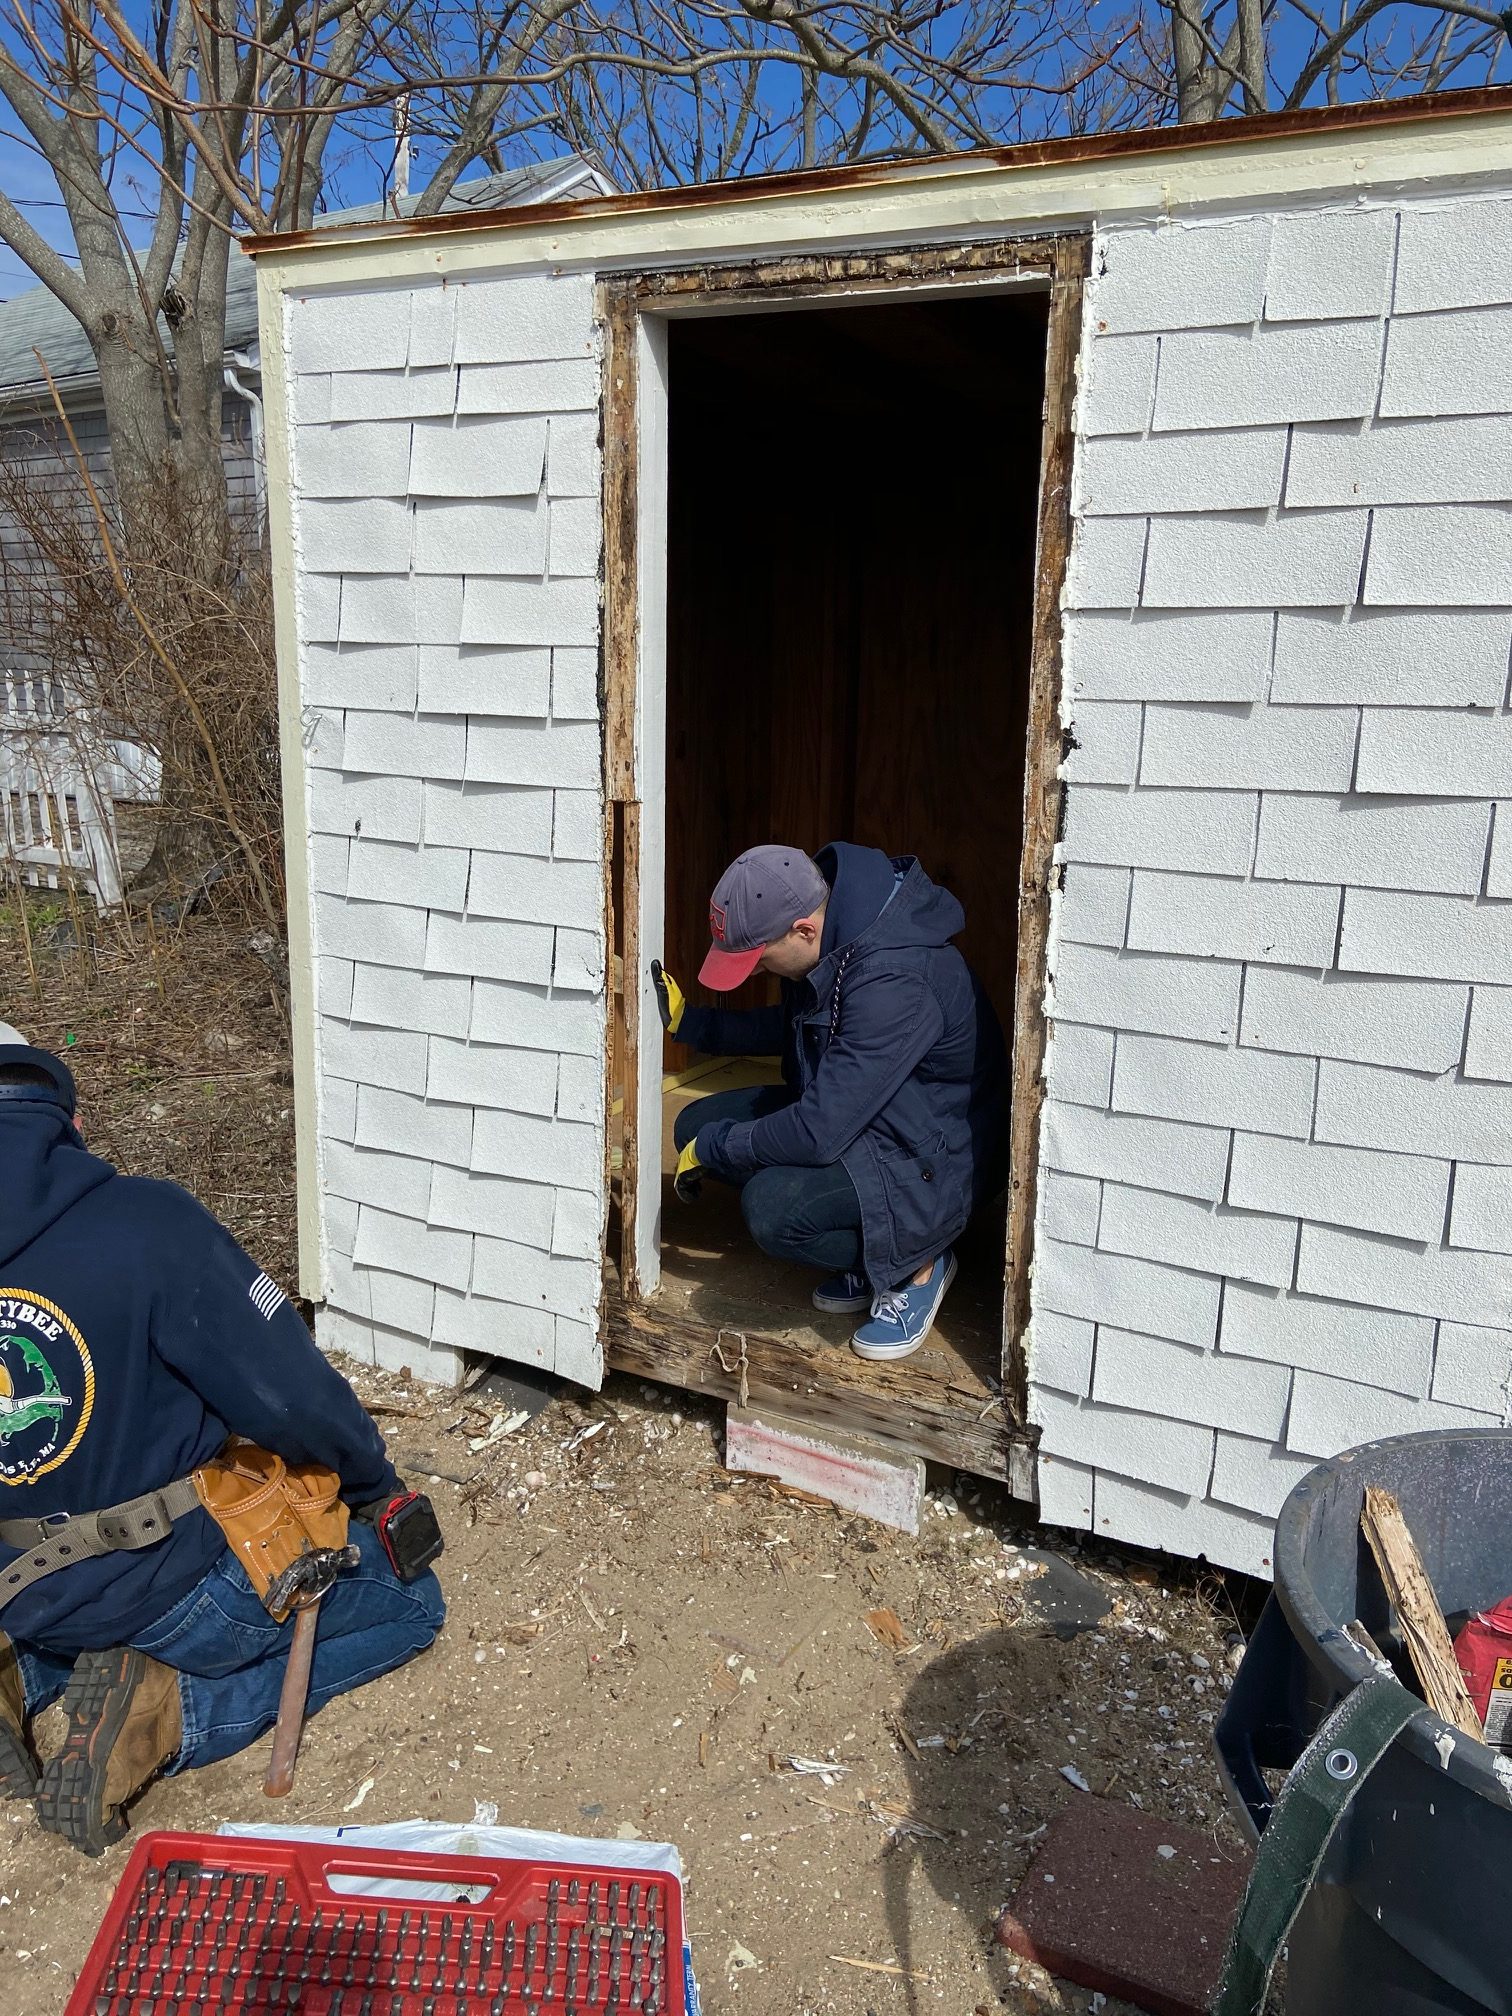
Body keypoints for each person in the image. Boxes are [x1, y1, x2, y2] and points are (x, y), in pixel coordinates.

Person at [0, 1023, 444, 1855]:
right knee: (413, 1605)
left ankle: (28, 1669)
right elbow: (290, 1395)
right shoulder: (143, 1225)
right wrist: (373, 1484)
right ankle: (172, 1714)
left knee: (64, 1604)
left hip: (16, 1584)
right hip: (166, 1585)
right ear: (60, 1121)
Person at [654, 843, 1008, 1360]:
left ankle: (916, 1261)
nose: (753, 973)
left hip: (928, 1155)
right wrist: (694, 1025)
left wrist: (722, 1148)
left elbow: (819, 1130)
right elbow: (795, 1026)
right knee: (696, 1123)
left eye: (757, 958)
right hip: (869, 1117)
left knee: (772, 1208)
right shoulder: (839, 936)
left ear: (803, 930)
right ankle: (875, 1248)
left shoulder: (895, 980)